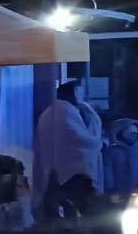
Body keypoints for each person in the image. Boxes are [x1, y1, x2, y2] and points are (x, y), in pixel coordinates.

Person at [34, 78, 105, 219]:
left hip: (53, 172)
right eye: (79, 92)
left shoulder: (51, 112)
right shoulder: (64, 112)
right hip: (73, 174)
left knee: (61, 207)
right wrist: (97, 140)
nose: (82, 97)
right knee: (79, 208)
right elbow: (81, 140)